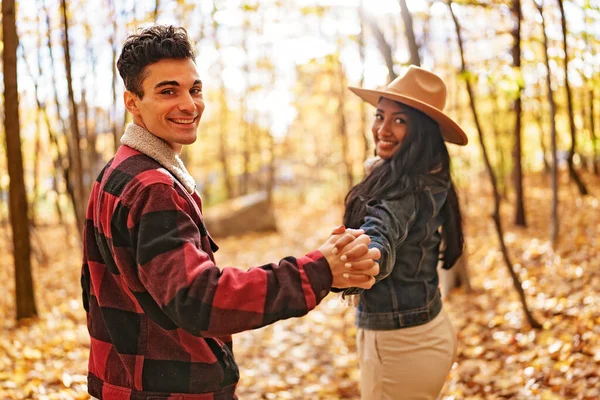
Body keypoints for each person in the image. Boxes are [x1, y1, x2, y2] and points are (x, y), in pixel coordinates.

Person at [80, 25, 380, 400]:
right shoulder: (151, 186)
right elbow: (199, 298)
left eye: (195, 89)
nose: (189, 104)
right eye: (167, 91)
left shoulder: (114, 173)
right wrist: (319, 270)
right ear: (132, 102)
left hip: (127, 385)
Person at [343, 65, 469, 400]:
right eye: (380, 116)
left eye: (400, 120)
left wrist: (365, 256)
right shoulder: (428, 175)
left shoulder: (406, 189)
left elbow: (381, 231)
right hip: (425, 330)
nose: (383, 129)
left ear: (422, 132)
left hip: (401, 348)